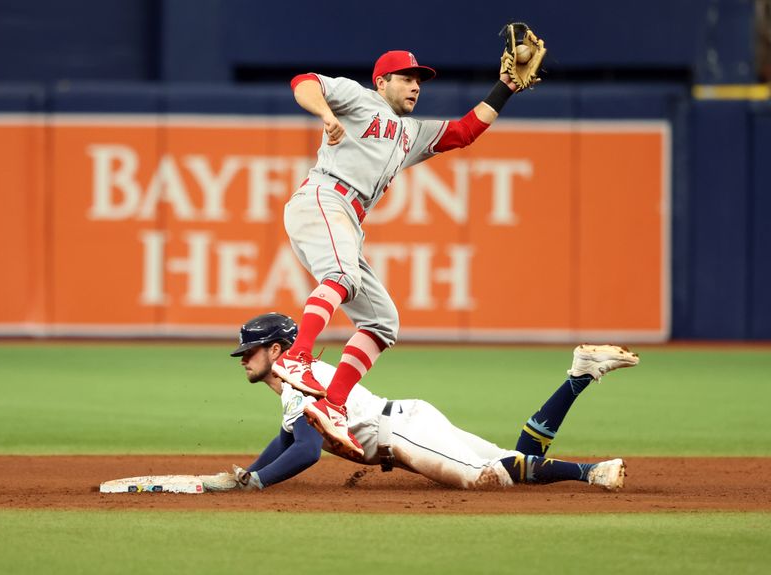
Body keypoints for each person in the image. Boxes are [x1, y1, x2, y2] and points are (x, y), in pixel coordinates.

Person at [271, 49, 527, 460]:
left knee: (382, 321)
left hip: (349, 218)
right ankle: (297, 357)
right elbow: (303, 81)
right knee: (341, 277)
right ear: (381, 82)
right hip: (324, 196)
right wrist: (327, 114)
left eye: (419, 81)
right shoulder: (358, 99)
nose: (414, 86)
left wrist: (506, 88)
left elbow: (463, 132)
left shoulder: (412, 133)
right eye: (405, 77)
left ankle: (332, 404)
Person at [201, 313, 640, 493]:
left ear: (277, 350)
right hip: (409, 418)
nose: (244, 360)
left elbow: (306, 449)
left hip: (405, 434)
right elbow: (288, 436)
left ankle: (589, 473)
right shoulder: (297, 383)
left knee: (484, 479)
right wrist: (250, 473)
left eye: (250, 351)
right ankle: (579, 376)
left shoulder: (301, 382)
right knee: (518, 460)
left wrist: (257, 484)